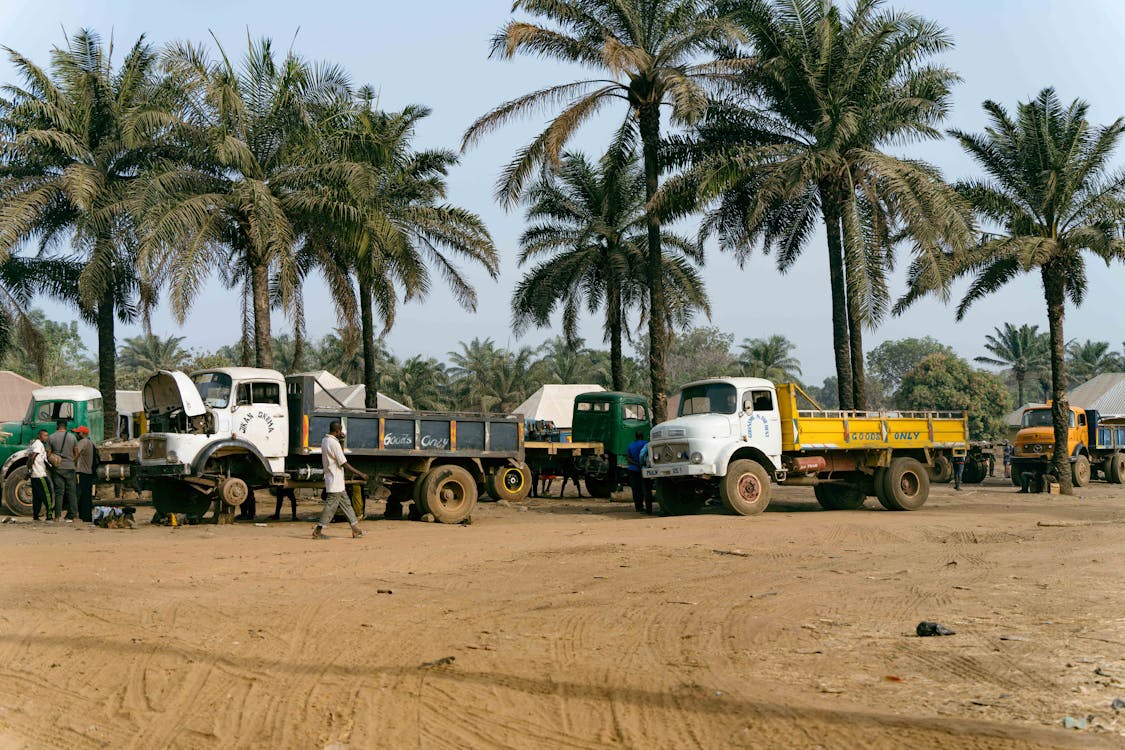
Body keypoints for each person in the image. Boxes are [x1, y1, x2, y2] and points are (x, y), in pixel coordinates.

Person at [313, 420, 368, 539]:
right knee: (330, 507)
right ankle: (318, 531)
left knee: (347, 505)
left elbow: (340, 455)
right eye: (340, 431)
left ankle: (355, 530)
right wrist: (361, 474)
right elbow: (343, 462)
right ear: (337, 431)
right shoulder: (333, 443)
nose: (341, 432)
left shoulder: (325, 440)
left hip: (335, 480)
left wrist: (341, 441)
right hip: (335, 480)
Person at [47, 419, 78, 521]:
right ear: (66, 426)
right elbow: (76, 453)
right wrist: (72, 461)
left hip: (58, 468)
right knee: (71, 492)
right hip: (70, 467)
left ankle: (57, 516)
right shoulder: (72, 437)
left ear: (57, 426)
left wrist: (54, 461)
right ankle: (73, 515)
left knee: (59, 492)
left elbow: (48, 454)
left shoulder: (51, 437)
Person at [28, 429, 53, 521]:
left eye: (47, 435)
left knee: (37, 497)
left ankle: (36, 516)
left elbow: (29, 457)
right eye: (45, 435)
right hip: (40, 474)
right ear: (40, 436)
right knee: (47, 494)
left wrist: (30, 470)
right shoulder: (39, 444)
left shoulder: (33, 444)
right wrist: (31, 468)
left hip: (34, 475)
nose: (46, 437)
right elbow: (33, 457)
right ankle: (49, 516)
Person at [74, 425, 96, 522]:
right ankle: (86, 515)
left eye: (78, 433)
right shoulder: (90, 442)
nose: (76, 434)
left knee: (80, 494)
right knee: (86, 495)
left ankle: (82, 515)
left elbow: (75, 454)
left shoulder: (83, 442)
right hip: (88, 472)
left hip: (82, 472)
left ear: (82, 434)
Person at [626, 430, 649, 513]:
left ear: (635, 436)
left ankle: (638, 507)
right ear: (642, 436)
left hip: (632, 469)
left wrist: (635, 463)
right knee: (644, 489)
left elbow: (628, 458)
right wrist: (640, 464)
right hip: (642, 469)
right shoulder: (646, 443)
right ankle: (647, 507)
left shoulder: (631, 445)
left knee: (635, 490)